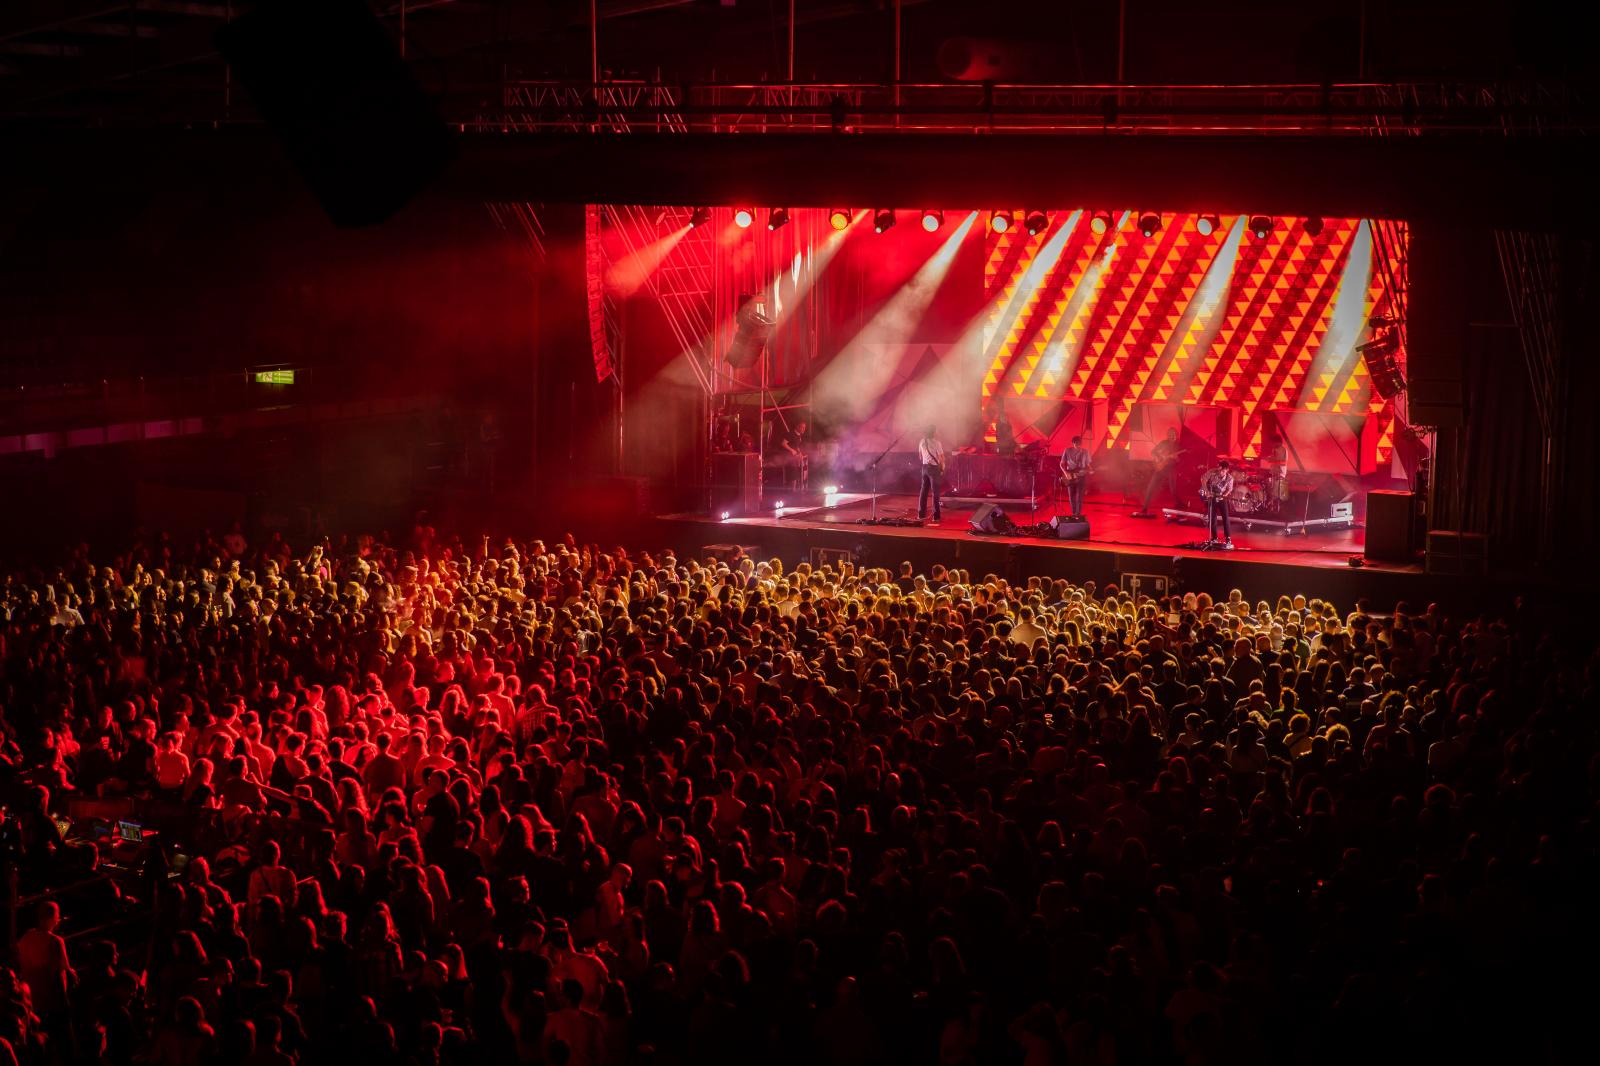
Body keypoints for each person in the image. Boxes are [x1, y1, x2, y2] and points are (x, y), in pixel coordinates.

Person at [1135, 428, 1183, 516]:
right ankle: (1145, 507)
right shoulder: (1163, 443)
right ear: (1168, 435)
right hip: (1160, 468)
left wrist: (1176, 458)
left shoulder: (1178, 446)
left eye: (1173, 434)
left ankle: (1179, 504)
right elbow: (1153, 452)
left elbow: (1180, 460)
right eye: (1170, 434)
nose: (1171, 436)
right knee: (1151, 487)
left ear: (1176, 436)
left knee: (1173, 489)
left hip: (1171, 468)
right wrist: (1158, 457)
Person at [1200, 458, 1236, 548]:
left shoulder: (1230, 478)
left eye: (1223, 471)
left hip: (1222, 497)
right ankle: (1214, 537)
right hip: (1212, 496)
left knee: (1225, 518)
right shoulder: (1212, 472)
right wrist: (1207, 491)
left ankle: (1228, 538)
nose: (1220, 472)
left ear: (1227, 470)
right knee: (1212, 518)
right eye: (1219, 470)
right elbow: (1203, 479)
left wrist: (1224, 495)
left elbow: (1229, 489)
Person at [1059, 435, 1092, 520]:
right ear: (1073, 443)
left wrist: (1091, 469)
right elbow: (1061, 464)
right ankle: (1074, 513)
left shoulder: (1085, 452)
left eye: (1079, 444)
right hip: (1070, 476)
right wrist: (1066, 473)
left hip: (1081, 476)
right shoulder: (1067, 450)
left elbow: (1088, 465)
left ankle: (1078, 514)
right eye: (1076, 443)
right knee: (1071, 496)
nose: (1078, 445)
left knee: (1080, 496)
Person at [917, 425, 945, 522]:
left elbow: (920, 456)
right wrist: (942, 468)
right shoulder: (936, 443)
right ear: (933, 432)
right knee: (935, 492)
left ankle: (921, 515)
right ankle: (936, 516)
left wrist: (926, 459)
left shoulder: (922, 442)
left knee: (924, 491)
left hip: (924, 468)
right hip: (934, 468)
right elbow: (941, 457)